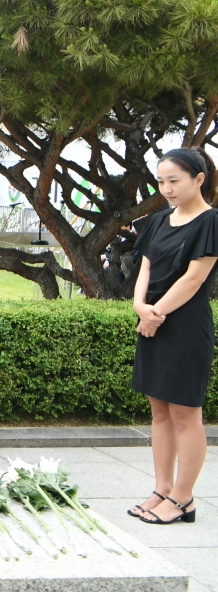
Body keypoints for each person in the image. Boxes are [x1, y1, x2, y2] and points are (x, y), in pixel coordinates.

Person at [127, 147, 215, 526]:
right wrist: (139, 307)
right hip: (151, 321)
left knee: (185, 413)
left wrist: (156, 313)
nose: (166, 188)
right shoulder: (159, 220)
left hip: (184, 325)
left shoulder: (211, 221)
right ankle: (162, 488)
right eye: (161, 181)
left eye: (174, 181)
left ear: (199, 179)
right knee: (159, 411)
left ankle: (183, 498)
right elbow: (144, 267)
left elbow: (193, 279)